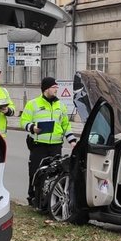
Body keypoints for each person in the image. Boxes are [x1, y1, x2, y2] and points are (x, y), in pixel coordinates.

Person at [20, 76, 78, 206]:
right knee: (35, 172)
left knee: (54, 174)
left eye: (57, 87)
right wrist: (32, 128)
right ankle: (33, 198)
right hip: (38, 145)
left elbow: (65, 125)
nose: (56, 89)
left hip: (56, 146)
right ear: (46, 89)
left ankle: (49, 200)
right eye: (54, 87)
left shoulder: (60, 106)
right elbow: (23, 121)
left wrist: (72, 141)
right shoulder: (33, 104)